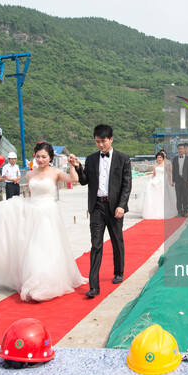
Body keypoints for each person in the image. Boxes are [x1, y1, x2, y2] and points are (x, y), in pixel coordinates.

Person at [0, 142, 88, 302]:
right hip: (32, 211)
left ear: (50, 157)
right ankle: (34, 281)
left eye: (44, 157)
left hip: (48, 212)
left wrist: (72, 166)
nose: (41, 159)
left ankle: (46, 282)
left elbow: (74, 178)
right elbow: (32, 195)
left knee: (47, 246)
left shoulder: (55, 172)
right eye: (38, 156)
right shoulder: (30, 174)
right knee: (32, 247)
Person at [72, 125, 132, 298]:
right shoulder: (91, 160)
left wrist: (122, 205)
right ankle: (94, 286)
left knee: (116, 240)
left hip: (115, 207)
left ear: (111, 139)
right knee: (96, 244)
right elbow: (84, 181)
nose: (100, 145)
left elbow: (127, 185)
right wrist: (78, 167)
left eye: (103, 141)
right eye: (97, 141)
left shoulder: (123, 159)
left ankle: (118, 271)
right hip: (97, 206)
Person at [140, 152, 178, 219]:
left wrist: (170, 182)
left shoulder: (166, 165)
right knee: (152, 193)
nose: (159, 159)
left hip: (163, 181)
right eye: (158, 157)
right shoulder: (155, 165)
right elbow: (154, 174)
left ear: (163, 158)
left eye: (160, 157)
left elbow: (169, 175)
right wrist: (150, 179)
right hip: (156, 180)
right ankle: (153, 212)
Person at [172, 144, 188, 217]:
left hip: (185, 180)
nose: (180, 150)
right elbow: (174, 170)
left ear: (184, 150)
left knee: (185, 196)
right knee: (178, 197)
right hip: (178, 180)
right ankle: (179, 212)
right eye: (179, 149)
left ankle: (185, 212)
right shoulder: (175, 159)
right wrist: (173, 180)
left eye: (181, 149)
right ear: (177, 150)